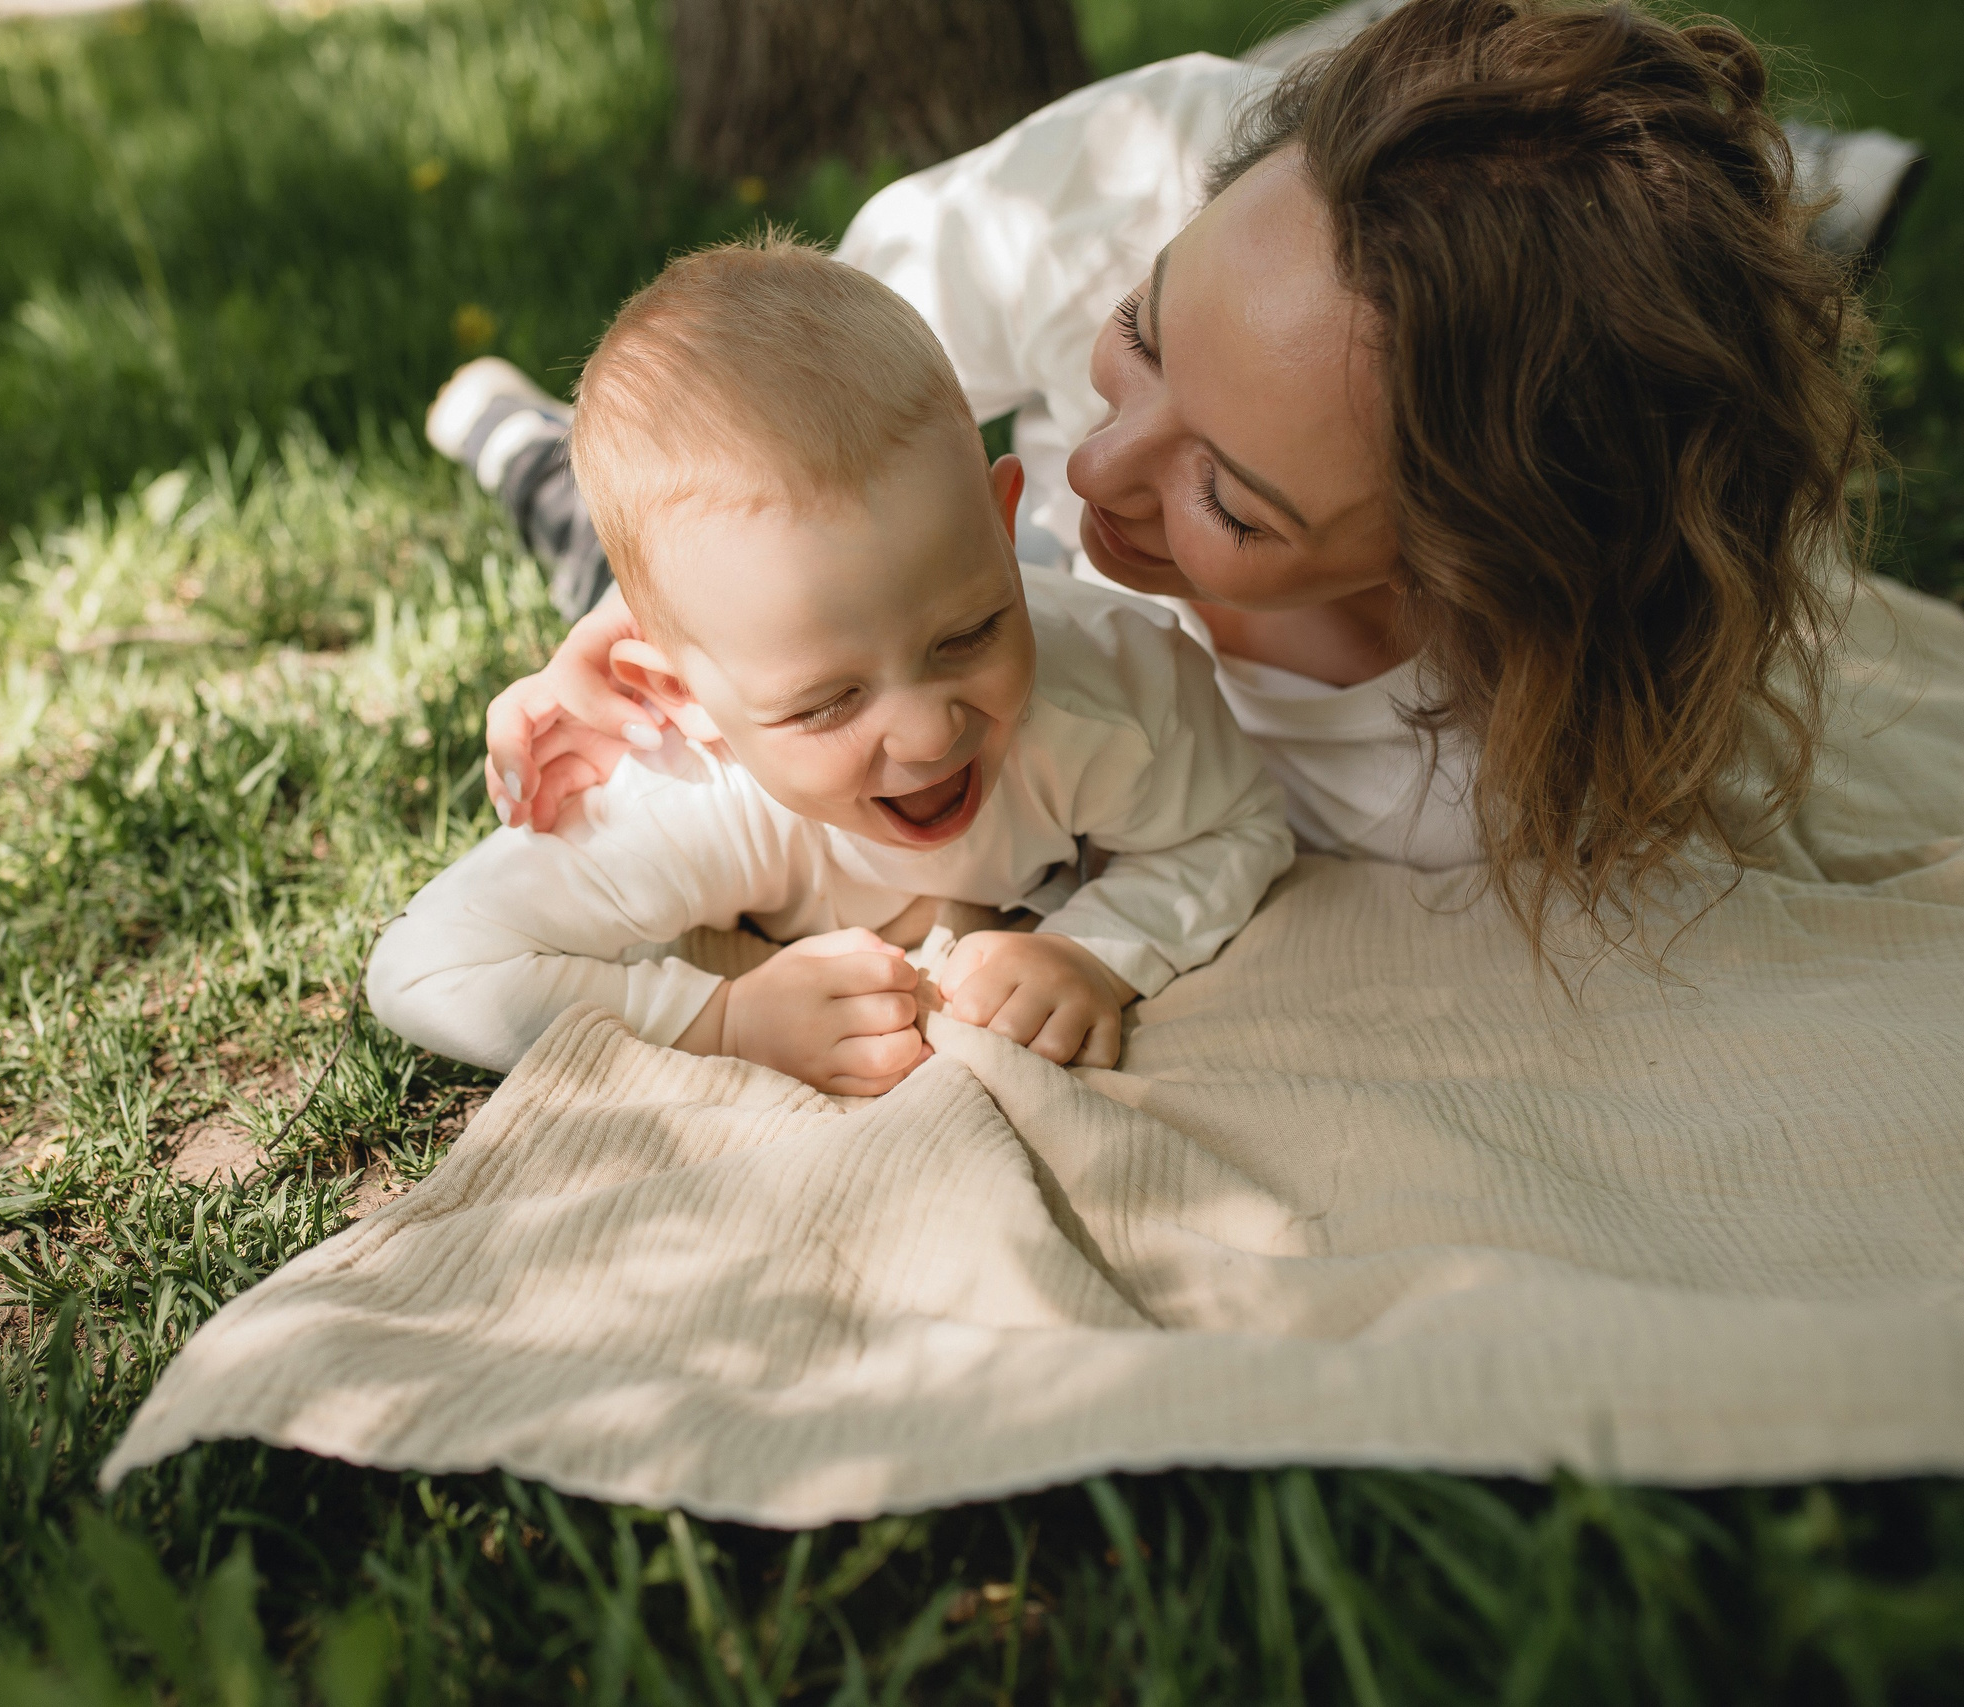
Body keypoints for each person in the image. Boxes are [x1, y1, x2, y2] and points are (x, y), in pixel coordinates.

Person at [451, 0, 1884, 966]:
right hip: (877, 571)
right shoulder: (1148, 174)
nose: (1091, 466)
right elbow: (764, 398)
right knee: (599, 536)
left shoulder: (1446, 778)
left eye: (1236, 502)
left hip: (945, 633)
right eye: (1143, 336)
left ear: (1461, 567)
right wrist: (654, 619)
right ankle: (526, 445)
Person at [369, 238, 1294, 1094]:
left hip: (882, 595)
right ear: (680, 696)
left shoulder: (1110, 690)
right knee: (576, 528)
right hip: (672, 610)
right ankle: (517, 434)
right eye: (825, 704)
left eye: (970, 633)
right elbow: (429, 964)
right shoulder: (683, 786)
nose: (933, 731)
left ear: (1001, 528)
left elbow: (1235, 825)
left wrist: (1099, 949)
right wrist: (720, 1021)